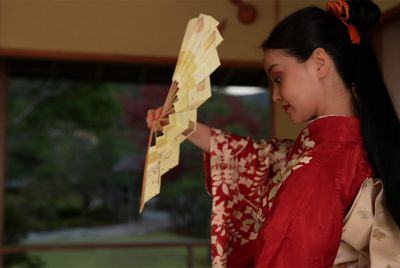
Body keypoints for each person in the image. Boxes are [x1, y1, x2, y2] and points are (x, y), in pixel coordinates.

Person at [146, 0, 400, 266]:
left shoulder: (313, 172)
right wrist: (182, 125)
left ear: (319, 63)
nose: (276, 95)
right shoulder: (363, 145)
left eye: (278, 77)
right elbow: (261, 157)